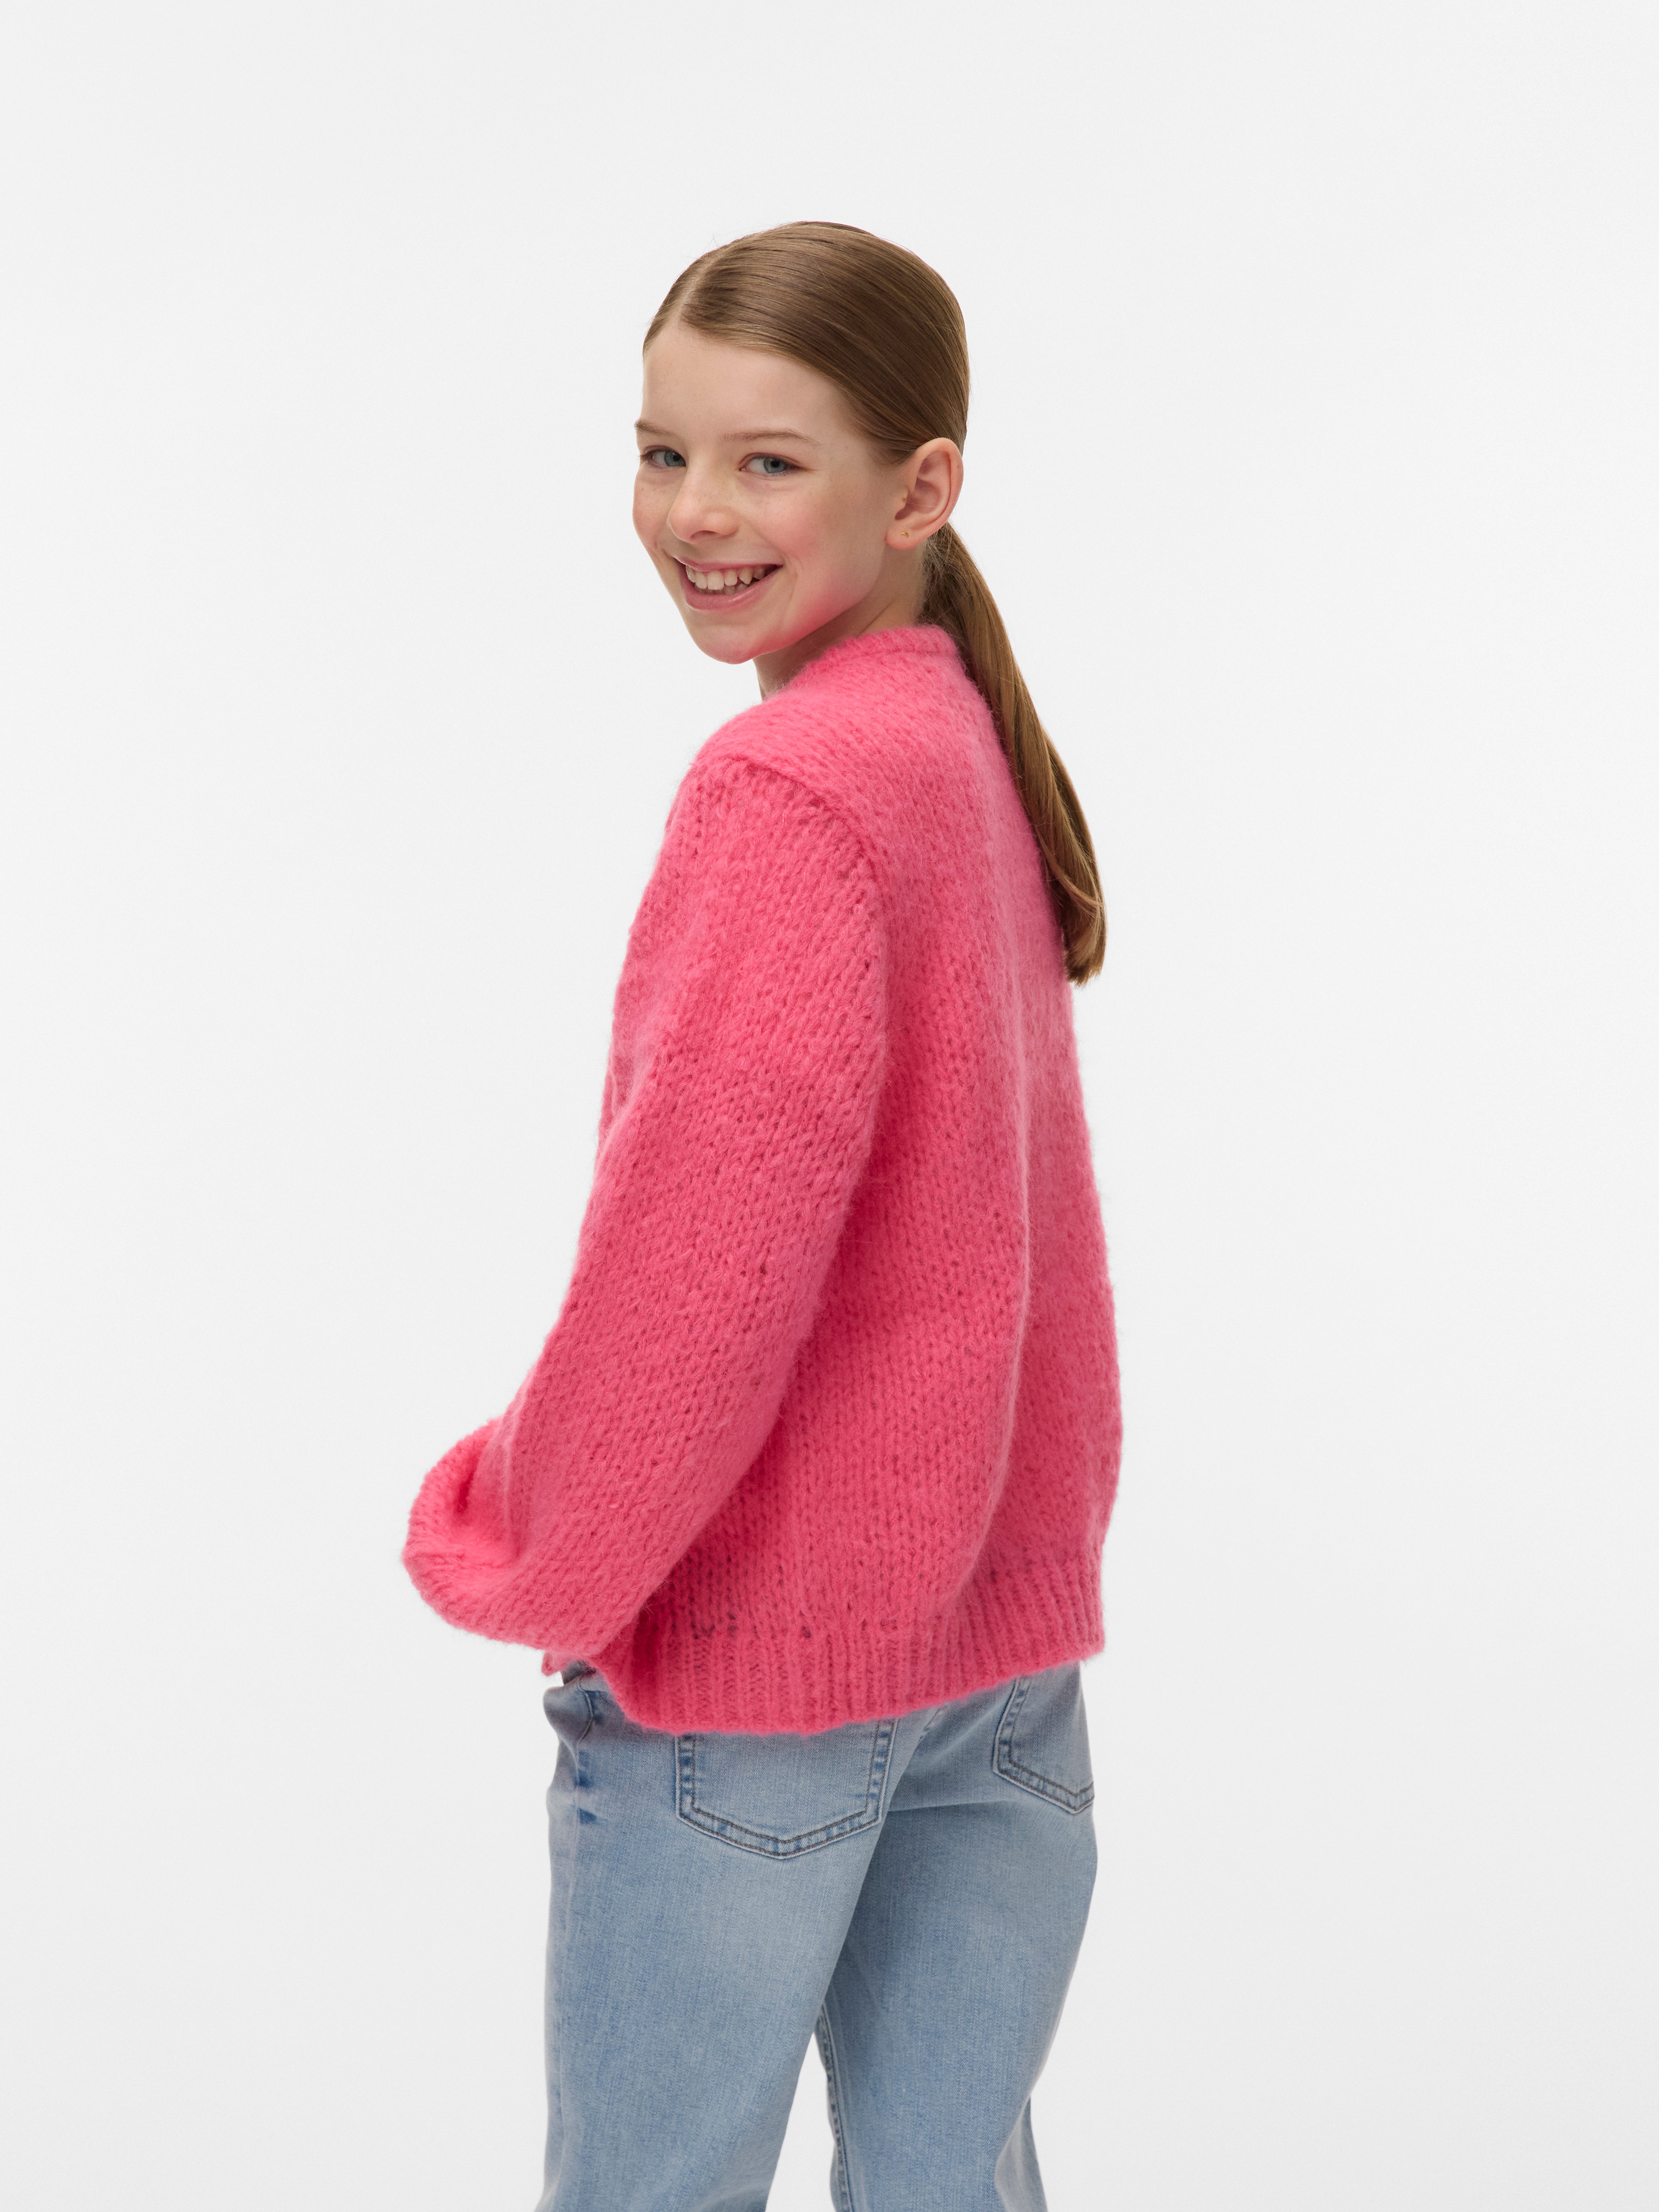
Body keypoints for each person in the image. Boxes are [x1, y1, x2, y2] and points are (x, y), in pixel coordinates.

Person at [403, 221, 1123, 2211]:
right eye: (662, 451)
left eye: (767, 461)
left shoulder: (791, 785)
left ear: (920, 487)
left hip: (761, 1673)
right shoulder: (957, 743)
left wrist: (527, 1528)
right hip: (994, 1656)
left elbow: (698, 1269)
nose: (695, 512)